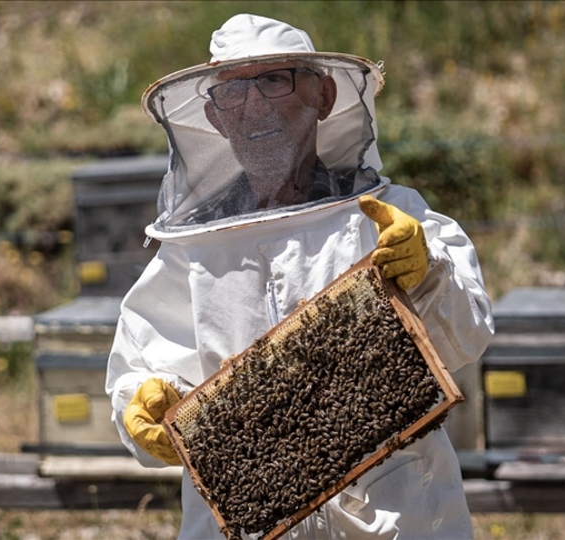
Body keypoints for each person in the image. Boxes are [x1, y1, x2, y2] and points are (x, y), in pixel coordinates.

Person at [106, 13, 494, 539]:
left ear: (324, 95)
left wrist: (429, 274)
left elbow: (467, 332)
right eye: (232, 93)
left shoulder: (389, 215)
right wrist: (144, 406)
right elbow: (140, 374)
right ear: (215, 119)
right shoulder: (191, 253)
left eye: (274, 80)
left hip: (399, 516)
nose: (253, 106)